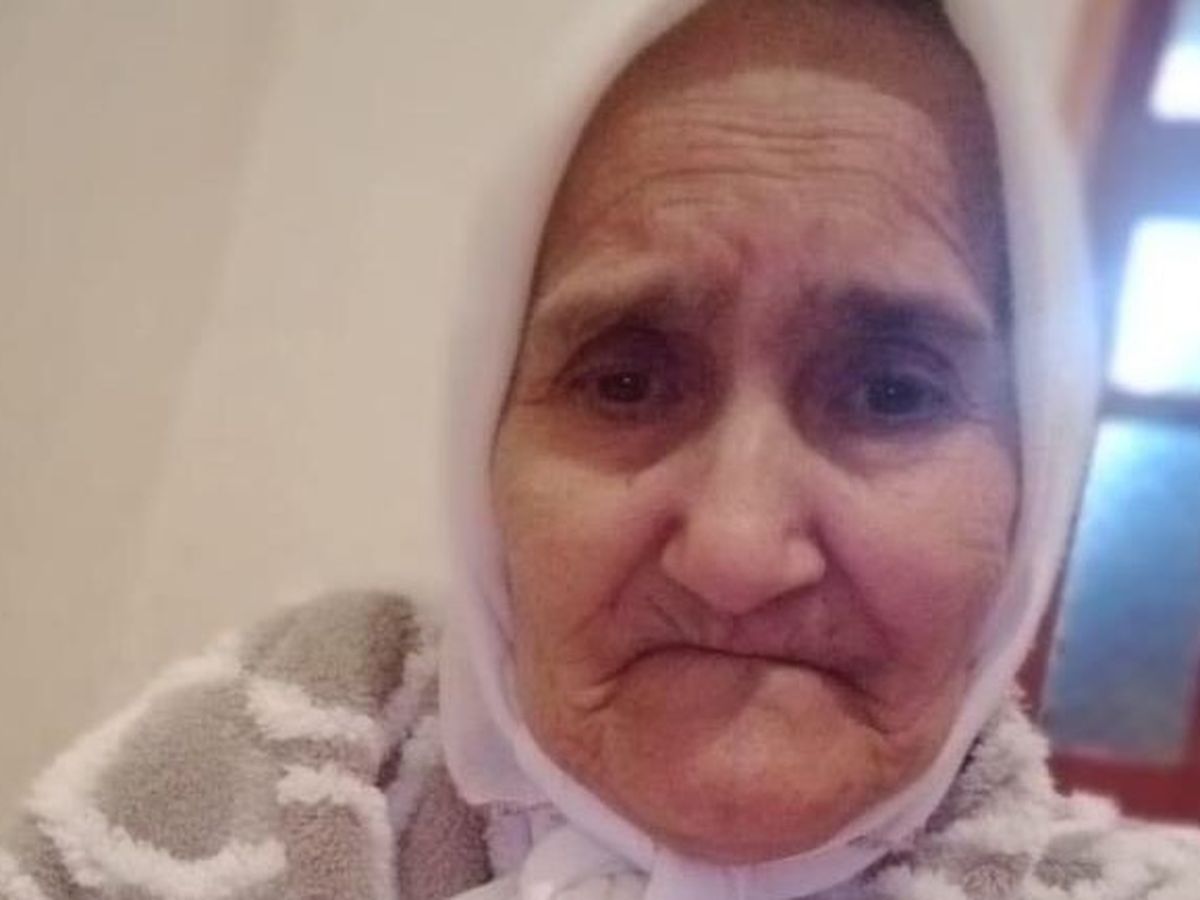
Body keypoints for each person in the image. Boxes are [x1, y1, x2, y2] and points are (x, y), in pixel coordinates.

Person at [3, 1, 1199, 899]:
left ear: (1032, 482)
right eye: (624, 381)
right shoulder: (238, 779)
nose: (737, 550)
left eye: (890, 392)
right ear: (484, 441)